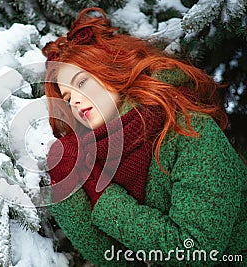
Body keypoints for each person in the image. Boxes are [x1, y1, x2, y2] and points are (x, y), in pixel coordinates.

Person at [42, 7, 247, 267]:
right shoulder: (98, 155)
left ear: (113, 70)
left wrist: (105, 199)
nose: (75, 101)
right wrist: (67, 184)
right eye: (67, 97)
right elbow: (116, 260)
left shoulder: (190, 131)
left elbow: (196, 252)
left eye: (82, 83)